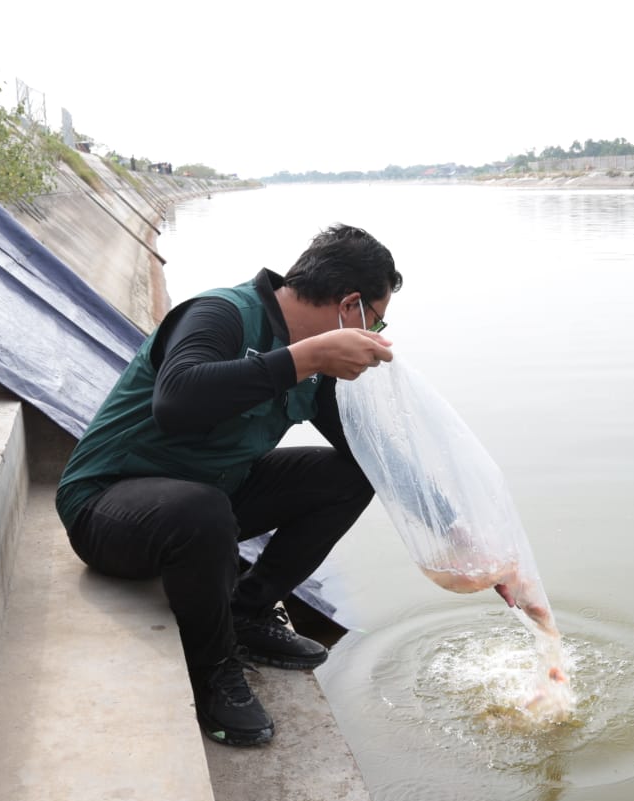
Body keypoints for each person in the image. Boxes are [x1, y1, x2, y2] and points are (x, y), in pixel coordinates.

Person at [55, 224, 398, 747]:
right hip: (108, 507)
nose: (375, 334)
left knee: (351, 476)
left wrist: (463, 538)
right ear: (349, 306)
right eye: (376, 320)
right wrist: (304, 359)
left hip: (212, 496)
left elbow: (368, 453)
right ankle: (213, 669)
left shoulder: (313, 363)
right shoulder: (221, 314)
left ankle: (248, 612)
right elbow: (176, 401)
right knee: (202, 510)